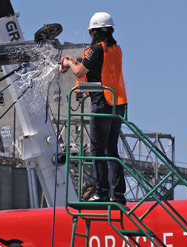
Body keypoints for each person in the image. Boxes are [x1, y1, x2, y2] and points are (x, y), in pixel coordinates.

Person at [62, 12, 128, 204]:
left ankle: (101, 192)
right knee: (111, 151)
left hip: (102, 104)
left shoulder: (96, 50)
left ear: (94, 32)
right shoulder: (116, 49)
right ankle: (118, 195)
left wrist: (67, 62)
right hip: (118, 104)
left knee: (97, 150)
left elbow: (80, 71)